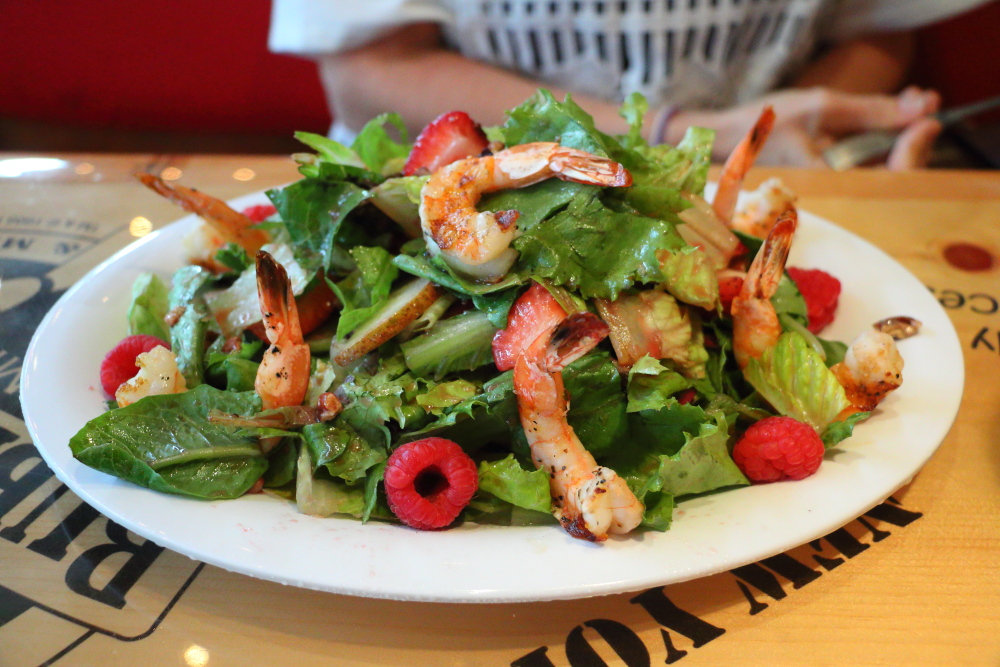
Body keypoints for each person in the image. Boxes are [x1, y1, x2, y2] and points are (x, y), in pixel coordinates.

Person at [269, 0, 992, 169]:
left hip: (771, 186)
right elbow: (368, 72)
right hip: (431, 194)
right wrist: (674, 137)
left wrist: (802, 132)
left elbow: (873, 23)